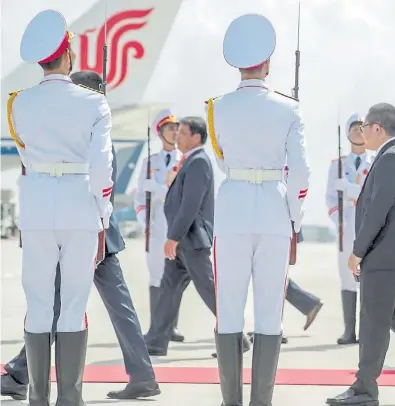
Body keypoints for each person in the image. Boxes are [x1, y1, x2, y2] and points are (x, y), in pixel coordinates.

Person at [1, 70, 160, 402]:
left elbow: (102, 179)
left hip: (90, 230)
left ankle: (22, 375)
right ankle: (141, 375)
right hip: (90, 228)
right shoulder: (93, 124)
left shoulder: (89, 124)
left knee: (57, 304)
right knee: (86, 305)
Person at [8, 10, 113, 404]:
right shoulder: (94, 104)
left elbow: (25, 154)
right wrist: (103, 215)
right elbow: (103, 167)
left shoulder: (18, 103)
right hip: (79, 206)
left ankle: (37, 397)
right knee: (73, 305)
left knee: (36, 305)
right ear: (67, 53)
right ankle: (70, 398)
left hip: (36, 209)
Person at [206, 14, 310, 406]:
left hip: (232, 207)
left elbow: (222, 159)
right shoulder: (288, 109)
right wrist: (294, 219)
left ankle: (230, 400)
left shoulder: (216, 108)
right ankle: (261, 401)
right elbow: (300, 172)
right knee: (270, 313)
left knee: (228, 309)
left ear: (237, 64)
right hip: (273, 209)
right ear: (268, 63)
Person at [327, 103, 395, 406]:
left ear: (377, 128)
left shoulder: (390, 158)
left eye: (365, 128)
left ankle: (364, 389)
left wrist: (357, 251)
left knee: (373, 323)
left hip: (386, 258)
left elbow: (378, 211)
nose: (362, 135)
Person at [143, 117, 230, 358]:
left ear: (196, 137)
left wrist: (173, 236)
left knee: (208, 289)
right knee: (168, 289)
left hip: (191, 240)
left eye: (182, 133)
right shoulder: (190, 161)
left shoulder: (199, 162)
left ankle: (235, 335)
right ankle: (156, 341)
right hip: (184, 242)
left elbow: (190, 205)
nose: (177, 136)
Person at [134, 108, 185, 343]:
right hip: (156, 227)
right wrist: (145, 222)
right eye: (169, 129)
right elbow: (138, 200)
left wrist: (160, 189)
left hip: (175, 227)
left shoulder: (184, 161)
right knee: (156, 276)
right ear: (160, 132)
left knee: (174, 278)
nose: (174, 133)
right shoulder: (149, 162)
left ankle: (171, 327)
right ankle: (156, 327)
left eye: (176, 128)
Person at [326, 112, 372, 345]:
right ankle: (349, 330)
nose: (358, 131)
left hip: (366, 224)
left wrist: (351, 190)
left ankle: (366, 330)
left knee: (366, 276)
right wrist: (338, 221)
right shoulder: (337, 165)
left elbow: (371, 194)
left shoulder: (375, 162)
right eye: (354, 127)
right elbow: (330, 198)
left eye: (362, 127)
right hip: (346, 226)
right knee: (347, 276)